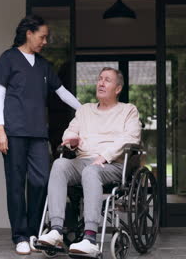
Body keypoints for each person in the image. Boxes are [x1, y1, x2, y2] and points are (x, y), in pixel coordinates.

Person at [0, 15, 81, 255]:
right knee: (16, 185)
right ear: (29, 33)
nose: (45, 41)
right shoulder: (8, 58)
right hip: (13, 132)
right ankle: (19, 235)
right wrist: (1, 130)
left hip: (38, 134)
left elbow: (62, 92)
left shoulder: (43, 65)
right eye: (42, 36)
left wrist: (87, 111)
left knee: (41, 181)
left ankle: (33, 232)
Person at [38, 67, 141, 257]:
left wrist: (105, 155)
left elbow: (131, 138)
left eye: (107, 80)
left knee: (91, 171)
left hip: (112, 164)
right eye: (100, 79)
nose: (101, 83)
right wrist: (72, 140)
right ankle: (56, 230)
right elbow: (70, 131)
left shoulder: (128, 110)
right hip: (83, 160)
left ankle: (90, 238)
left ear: (117, 89)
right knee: (59, 165)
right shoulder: (85, 110)